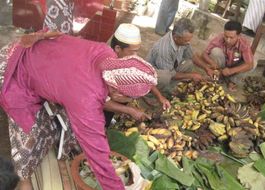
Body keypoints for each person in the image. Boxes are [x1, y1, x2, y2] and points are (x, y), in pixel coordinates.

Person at [0, 32, 157, 190]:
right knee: (29, 136)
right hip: (13, 69)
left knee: (58, 124)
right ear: (118, 93)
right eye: (129, 99)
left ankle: (53, 156)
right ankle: (24, 179)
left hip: (35, 53)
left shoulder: (105, 52)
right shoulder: (86, 100)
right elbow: (99, 159)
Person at [105, 23, 170, 127]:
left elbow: (144, 77)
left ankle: (112, 116)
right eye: (133, 51)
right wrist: (130, 110)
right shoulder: (105, 66)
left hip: (118, 100)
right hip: (99, 107)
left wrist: (160, 97)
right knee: (104, 120)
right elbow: (102, 102)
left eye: (137, 51)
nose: (136, 56)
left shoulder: (129, 60)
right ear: (118, 48)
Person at [147, 18, 207, 93]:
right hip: (152, 74)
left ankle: (169, 88)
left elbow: (192, 56)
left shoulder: (183, 41)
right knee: (166, 77)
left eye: (189, 40)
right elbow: (171, 74)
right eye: (186, 40)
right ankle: (150, 95)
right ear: (176, 37)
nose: (188, 42)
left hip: (170, 68)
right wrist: (191, 75)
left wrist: (206, 68)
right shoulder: (164, 49)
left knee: (189, 63)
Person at [193, 20, 255, 91]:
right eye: (226, 36)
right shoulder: (220, 38)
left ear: (238, 36)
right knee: (215, 51)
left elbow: (250, 64)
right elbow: (204, 53)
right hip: (221, 66)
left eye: (231, 38)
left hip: (235, 67)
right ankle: (217, 76)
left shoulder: (244, 44)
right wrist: (212, 63)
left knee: (253, 63)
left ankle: (232, 81)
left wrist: (231, 71)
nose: (228, 40)